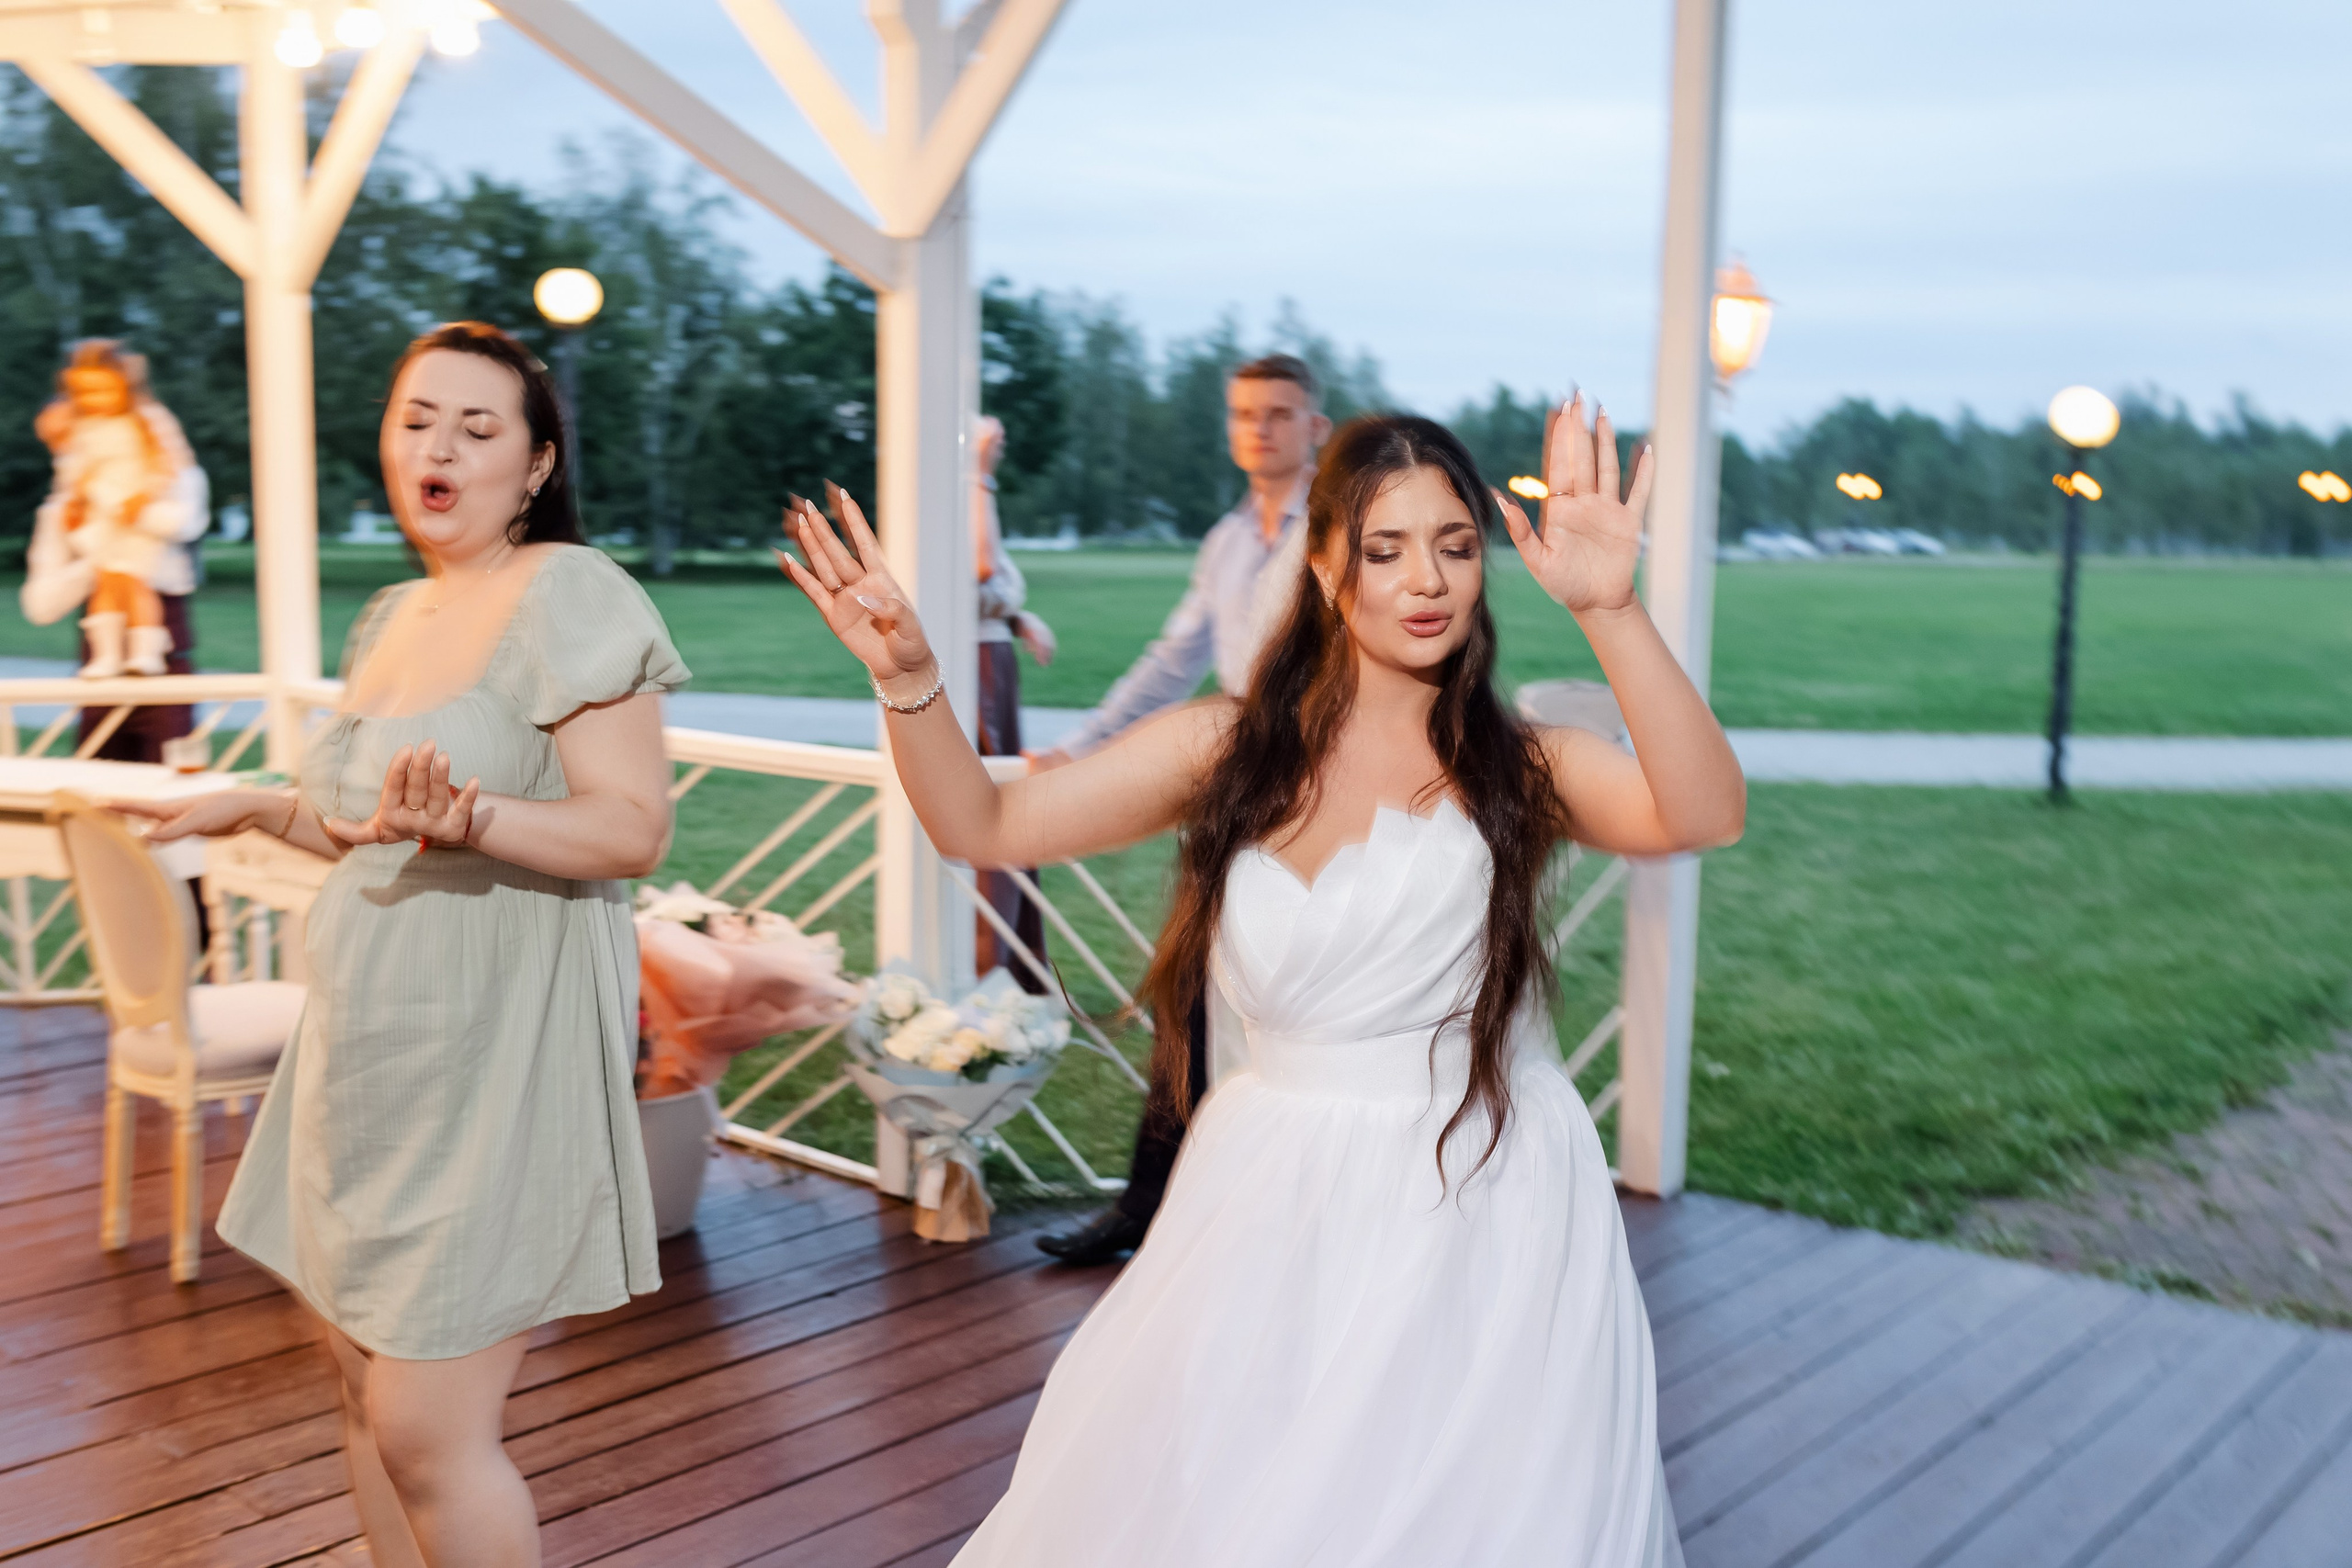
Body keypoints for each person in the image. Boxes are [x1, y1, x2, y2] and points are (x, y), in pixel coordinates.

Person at [777, 394, 1740, 1565]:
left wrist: (1614, 610)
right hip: (1271, 1184)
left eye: (1454, 546)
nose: (1426, 579)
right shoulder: (1225, 749)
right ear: (1327, 569)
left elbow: (1700, 811)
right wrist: (912, 677)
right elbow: (981, 822)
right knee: (1243, 1499)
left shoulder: (1518, 765)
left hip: (1482, 1191)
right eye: (1386, 550)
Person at [118, 321, 688, 1568]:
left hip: (497, 1061)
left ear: (535, 467)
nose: (439, 446)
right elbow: (375, 830)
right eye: (417, 418)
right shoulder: (391, 613)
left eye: (479, 429)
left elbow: (631, 826)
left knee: (429, 1426)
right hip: (368, 1059)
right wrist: (260, 804)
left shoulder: (572, 590)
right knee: (359, 1389)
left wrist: (479, 813)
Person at [1029, 351, 1330, 1263]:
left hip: (1322, 803)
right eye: (1245, 413)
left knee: (1292, 1009)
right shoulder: (1228, 540)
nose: (1260, 429)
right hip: (1232, 795)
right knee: (1186, 1000)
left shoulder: (1343, 531)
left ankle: (1284, 1223)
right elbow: (1172, 660)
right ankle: (1148, 1208)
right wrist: (1080, 749)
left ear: (1316, 427)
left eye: (1279, 413)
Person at [21, 341, 211, 756]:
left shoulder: (163, 456)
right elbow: (41, 606)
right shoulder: (65, 509)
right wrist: (87, 545)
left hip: (165, 657)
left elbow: (186, 520)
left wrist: (122, 510)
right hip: (101, 657)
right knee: (101, 774)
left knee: (170, 767)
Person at [970, 414, 1057, 990]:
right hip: (976, 667)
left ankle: (1009, 954)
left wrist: (1016, 615)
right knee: (987, 801)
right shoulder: (967, 490)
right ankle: (987, 959)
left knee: (1003, 795)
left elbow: (979, 587)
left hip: (991, 662)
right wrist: (980, 477)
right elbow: (980, 565)